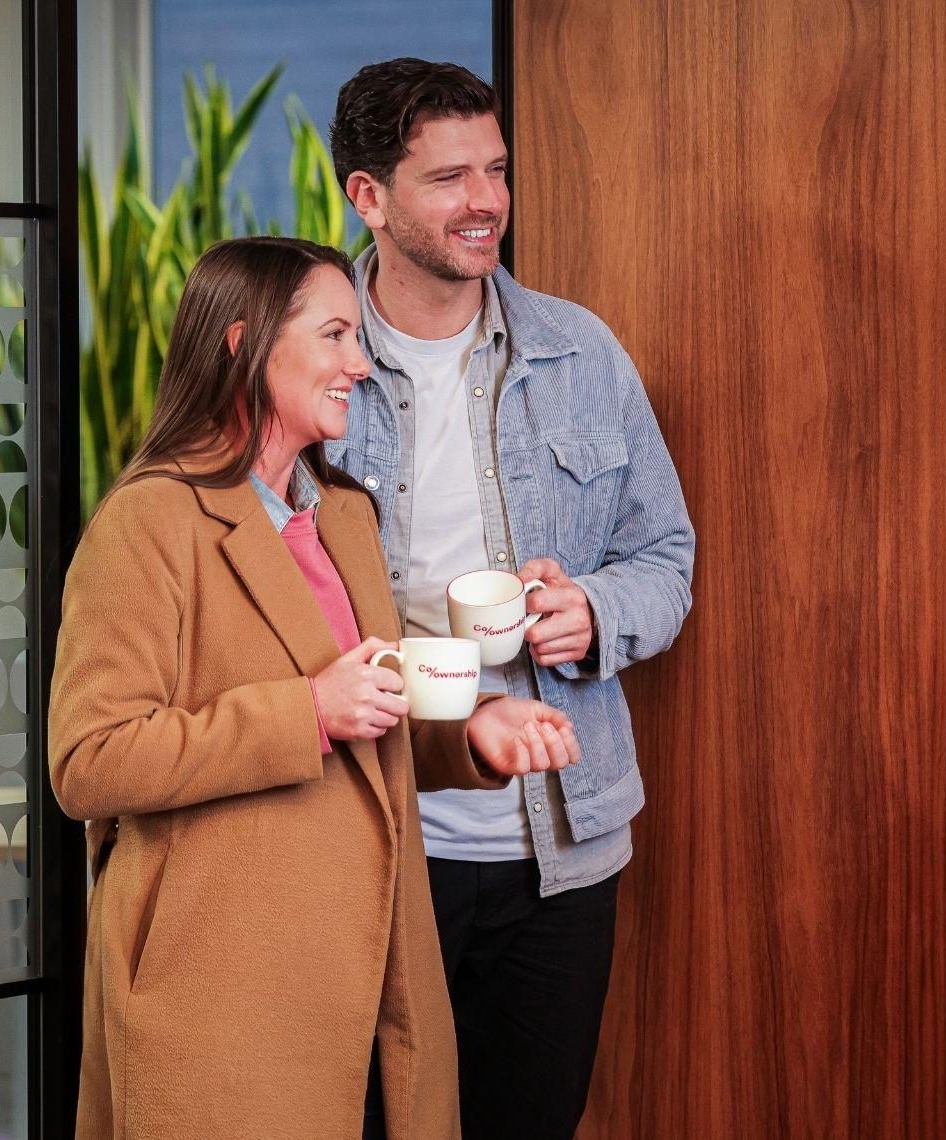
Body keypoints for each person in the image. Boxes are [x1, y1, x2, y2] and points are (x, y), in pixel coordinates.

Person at [48, 236, 583, 1140]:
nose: (358, 363)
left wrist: (473, 733)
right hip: (227, 996)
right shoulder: (147, 523)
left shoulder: (342, 515)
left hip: (378, 982)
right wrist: (306, 711)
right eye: (335, 334)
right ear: (241, 341)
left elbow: (367, 712)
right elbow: (89, 761)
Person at [329, 61, 695, 1139]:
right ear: (369, 197)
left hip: (559, 853)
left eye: (495, 168)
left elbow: (666, 555)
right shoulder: (310, 358)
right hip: (373, 842)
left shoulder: (582, 352)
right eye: (448, 177)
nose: (486, 199)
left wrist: (596, 614)